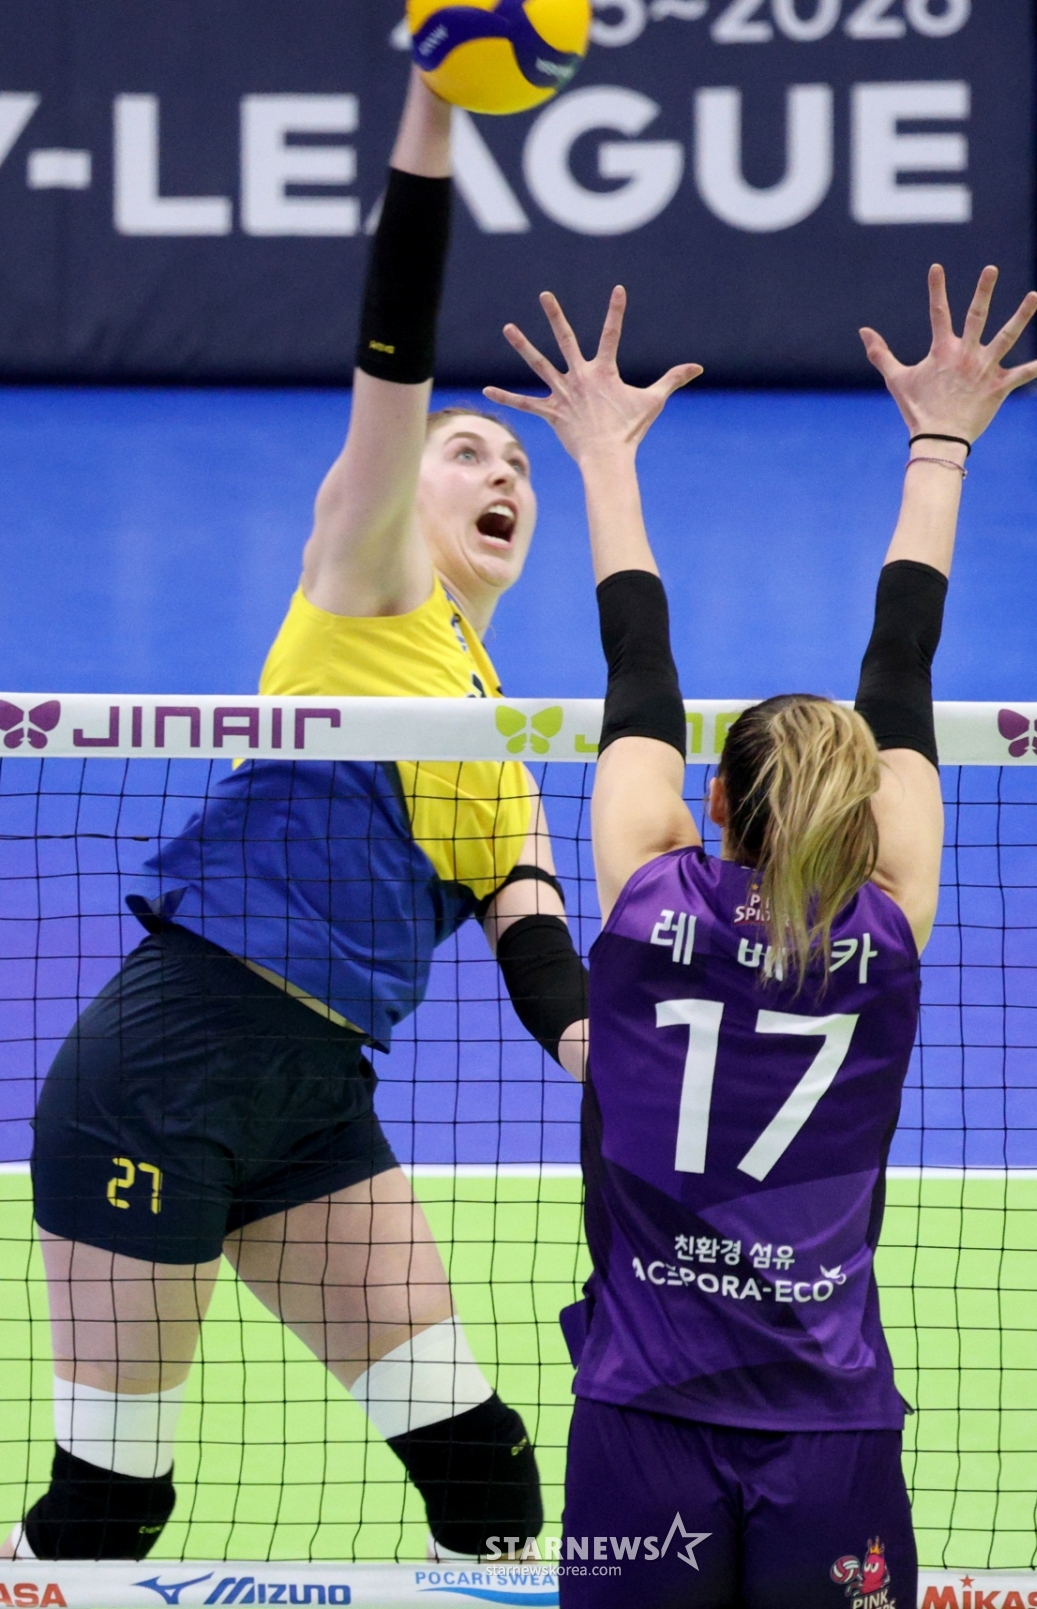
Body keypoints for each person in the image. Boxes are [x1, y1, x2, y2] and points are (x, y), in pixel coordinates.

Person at [7, 71, 588, 1564]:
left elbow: (537, 945)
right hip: (166, 1072)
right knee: (111, 1506)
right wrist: (435, 119)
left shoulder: (509, 748)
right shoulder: (365, 588)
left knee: (487, 1479)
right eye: (469, 452)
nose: (502, 471)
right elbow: (393, 350)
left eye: (519, 465)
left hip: (312, 1103)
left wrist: (625, 1067)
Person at [484, 267, 1037, 1606]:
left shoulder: (649, 900)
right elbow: (901, 667)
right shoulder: (889, 925)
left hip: (641, 1415)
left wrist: (603, 454)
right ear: (870, 821)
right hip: (828, 1431)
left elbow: (637, 666)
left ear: (709, 805)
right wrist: (941, 442)